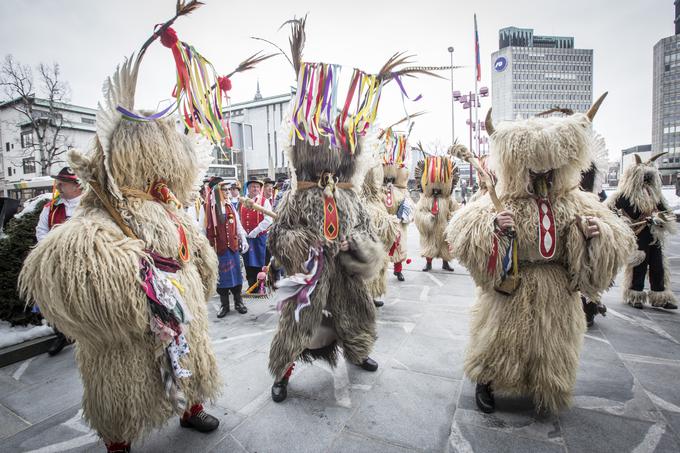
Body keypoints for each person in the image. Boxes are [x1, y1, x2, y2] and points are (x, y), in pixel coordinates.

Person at [19, 16, 228, 451]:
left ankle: (190, 408)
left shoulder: (168, 206)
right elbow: (71, 262)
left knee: (190, 363)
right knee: (123, 387)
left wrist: (199, 270)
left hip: (184, 315)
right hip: (133, 330)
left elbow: (195, 252)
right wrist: (130, 286)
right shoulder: (104, 206)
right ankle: (118, 440)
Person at [446, 97, 635, 414]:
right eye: (533, 170)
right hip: (512, 283)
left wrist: (592, 233)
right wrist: (492, 225)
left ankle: (545, 387)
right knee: (501, 339)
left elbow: (618, 236)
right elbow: (462, 230)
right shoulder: (502, 197)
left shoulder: (576, 200)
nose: (541, 177)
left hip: (558, 288)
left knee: (552, 344)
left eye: (549, 169)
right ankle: (487, 382)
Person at [607, 152, 678, 310]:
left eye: (648, 177)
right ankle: (635, 294)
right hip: (637, 237)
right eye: (643, 177)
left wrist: (660, 219)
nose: (646, 181)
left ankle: (660, 295)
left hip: (654, 237)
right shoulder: (624, 196)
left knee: (658, 266)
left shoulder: (656, 197)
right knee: (638, 265)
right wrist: (624, 222)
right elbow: (607, 211)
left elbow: (667, 215)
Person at [35, 166, 83, 355]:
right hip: (56, 262)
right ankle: (61, 334)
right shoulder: (51, 207)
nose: (59, 186)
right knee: (56, 301)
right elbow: (41, 230)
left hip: (83, 263)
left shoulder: (90, 205)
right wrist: (51, 249)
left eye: (63, 183)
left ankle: (87, 337)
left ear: (76, 186)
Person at [202, 178, 249, 316]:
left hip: (232, 248)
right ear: (217, 191)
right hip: (218, 249)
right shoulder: (207, 208)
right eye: (225, 190)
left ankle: (239, 302)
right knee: (221, 278)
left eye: (229, 189)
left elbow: (238, 224)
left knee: (237, 277)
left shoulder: (230, 205)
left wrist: (243, 239)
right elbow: (202, 230)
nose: (228, 192)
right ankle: (225, 305)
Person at [414, 151, 459, 272]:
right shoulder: (425, 199)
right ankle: (428, 263)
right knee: (429, 244)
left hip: (444, 228)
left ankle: (446, 262)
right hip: (430, 228)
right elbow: (418, 213)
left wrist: (452, 219)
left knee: (445, 245)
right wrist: (428, 218)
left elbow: (456, 211)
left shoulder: (448, 199)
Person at [240, 176, 273, 289]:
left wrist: (255, 231)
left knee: (260, 262)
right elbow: (239, 219)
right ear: (248, 188)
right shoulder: (242, 201)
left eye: (257, 187)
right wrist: (243, 232)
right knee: (248, 262)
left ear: (260, 189)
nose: (255, 189)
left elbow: (269, 219)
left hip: (259, 237)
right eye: (253, 186)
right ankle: (251, 285)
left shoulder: (265, 201)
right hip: (246, 238)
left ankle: (260, 286)